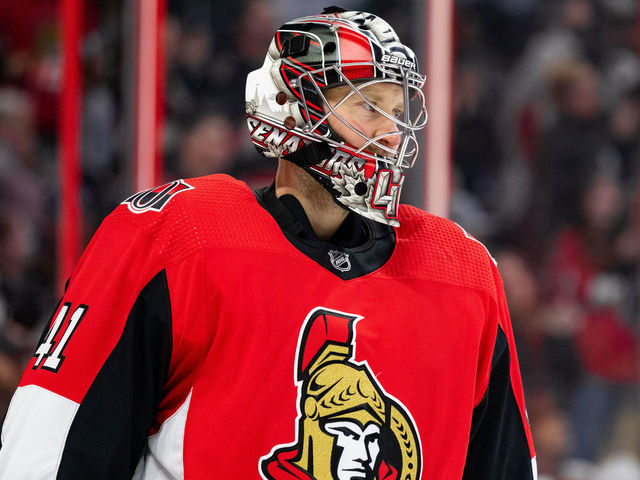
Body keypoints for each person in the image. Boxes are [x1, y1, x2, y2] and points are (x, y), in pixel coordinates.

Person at [0, 7, 536, 479]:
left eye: (397, 112)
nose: (391, 133)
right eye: (367, 106)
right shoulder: (178, 236)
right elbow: (54, 445)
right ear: (289, 106)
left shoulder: (462, 275)